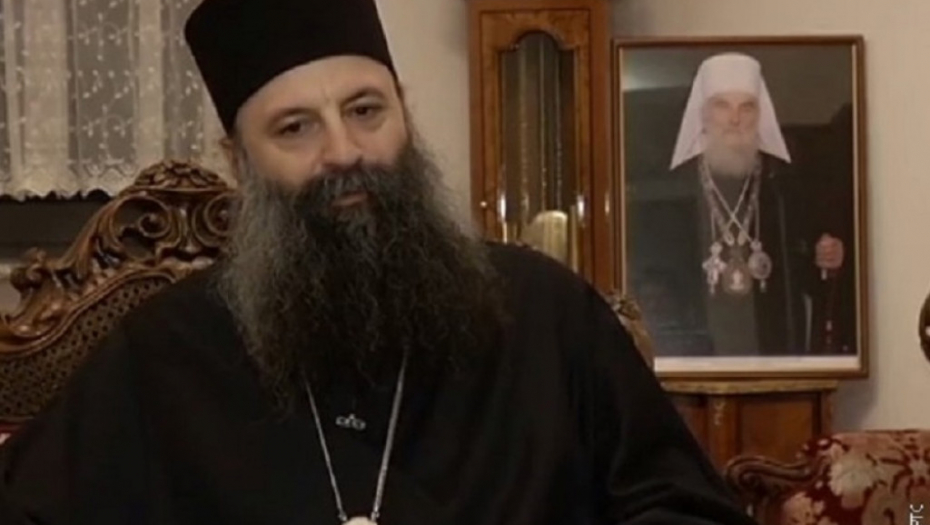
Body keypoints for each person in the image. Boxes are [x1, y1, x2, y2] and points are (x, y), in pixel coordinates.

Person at [0, 1, 758, 524]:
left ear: (405, 115)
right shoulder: (165, 351)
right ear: (239, 162)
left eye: (365, 110)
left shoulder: (546, 312)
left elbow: (683, 506)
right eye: (294, 128)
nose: (344, 152)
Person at [656, 52, 846, 356]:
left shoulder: (783, 180)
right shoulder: (681, 184)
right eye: (722, 106)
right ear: (703, 114)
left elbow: (805, 275)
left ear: (760, 116)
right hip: (698, 348)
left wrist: (828, 259)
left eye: (746, 107)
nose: (735, 119)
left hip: (772, 345)